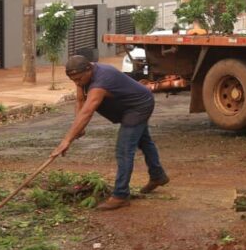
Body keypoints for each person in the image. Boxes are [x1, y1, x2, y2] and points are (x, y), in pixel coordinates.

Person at [50, 55, 169, 210]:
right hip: (127, 106)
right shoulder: (83, 76)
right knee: (143, 141)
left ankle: (120, 195)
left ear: (89, 69)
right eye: (74, 80)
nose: (77, 83)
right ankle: (158, 176)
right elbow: (80, 101)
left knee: (124, 149)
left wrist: (66, 140)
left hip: (138, 106)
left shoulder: (101, 81)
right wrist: (79, 127)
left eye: (78, 79)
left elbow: (87, 111)